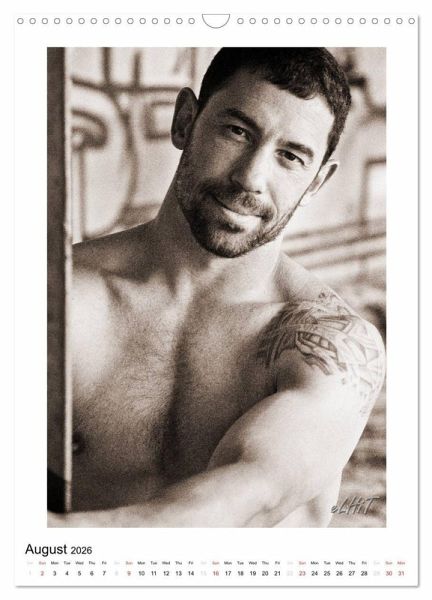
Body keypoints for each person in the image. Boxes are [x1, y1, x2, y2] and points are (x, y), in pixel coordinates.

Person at [49, 47, 385, 527]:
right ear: (185, 121)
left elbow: (255, 493)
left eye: (290, 157)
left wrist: (62, 541)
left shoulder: (328, 342)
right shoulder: (60, 298)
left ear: (316, 182)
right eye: (237, 131)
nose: (251, 177)